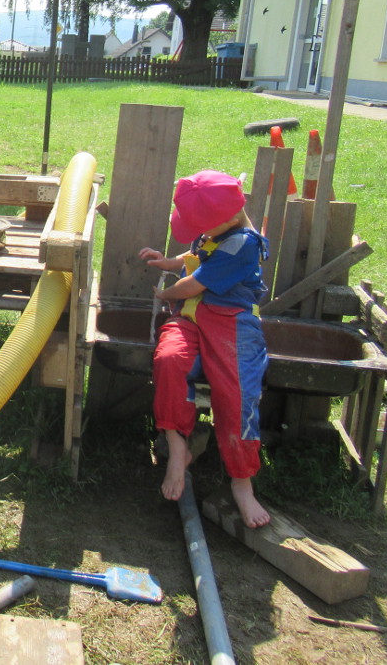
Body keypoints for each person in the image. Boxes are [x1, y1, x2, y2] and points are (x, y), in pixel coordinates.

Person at [139, 169, 271, 529]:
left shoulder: (242, 244)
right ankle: (176, 443)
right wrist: (169, 262)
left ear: (227, 219)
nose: (199, 235)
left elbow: (191, 286)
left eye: (204, 227)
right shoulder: (218, 232)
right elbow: (198, 252)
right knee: (169, 360)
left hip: (232, 323)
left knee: (237, 392)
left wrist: (166, 292)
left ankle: (242, 482)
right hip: (193, 318)